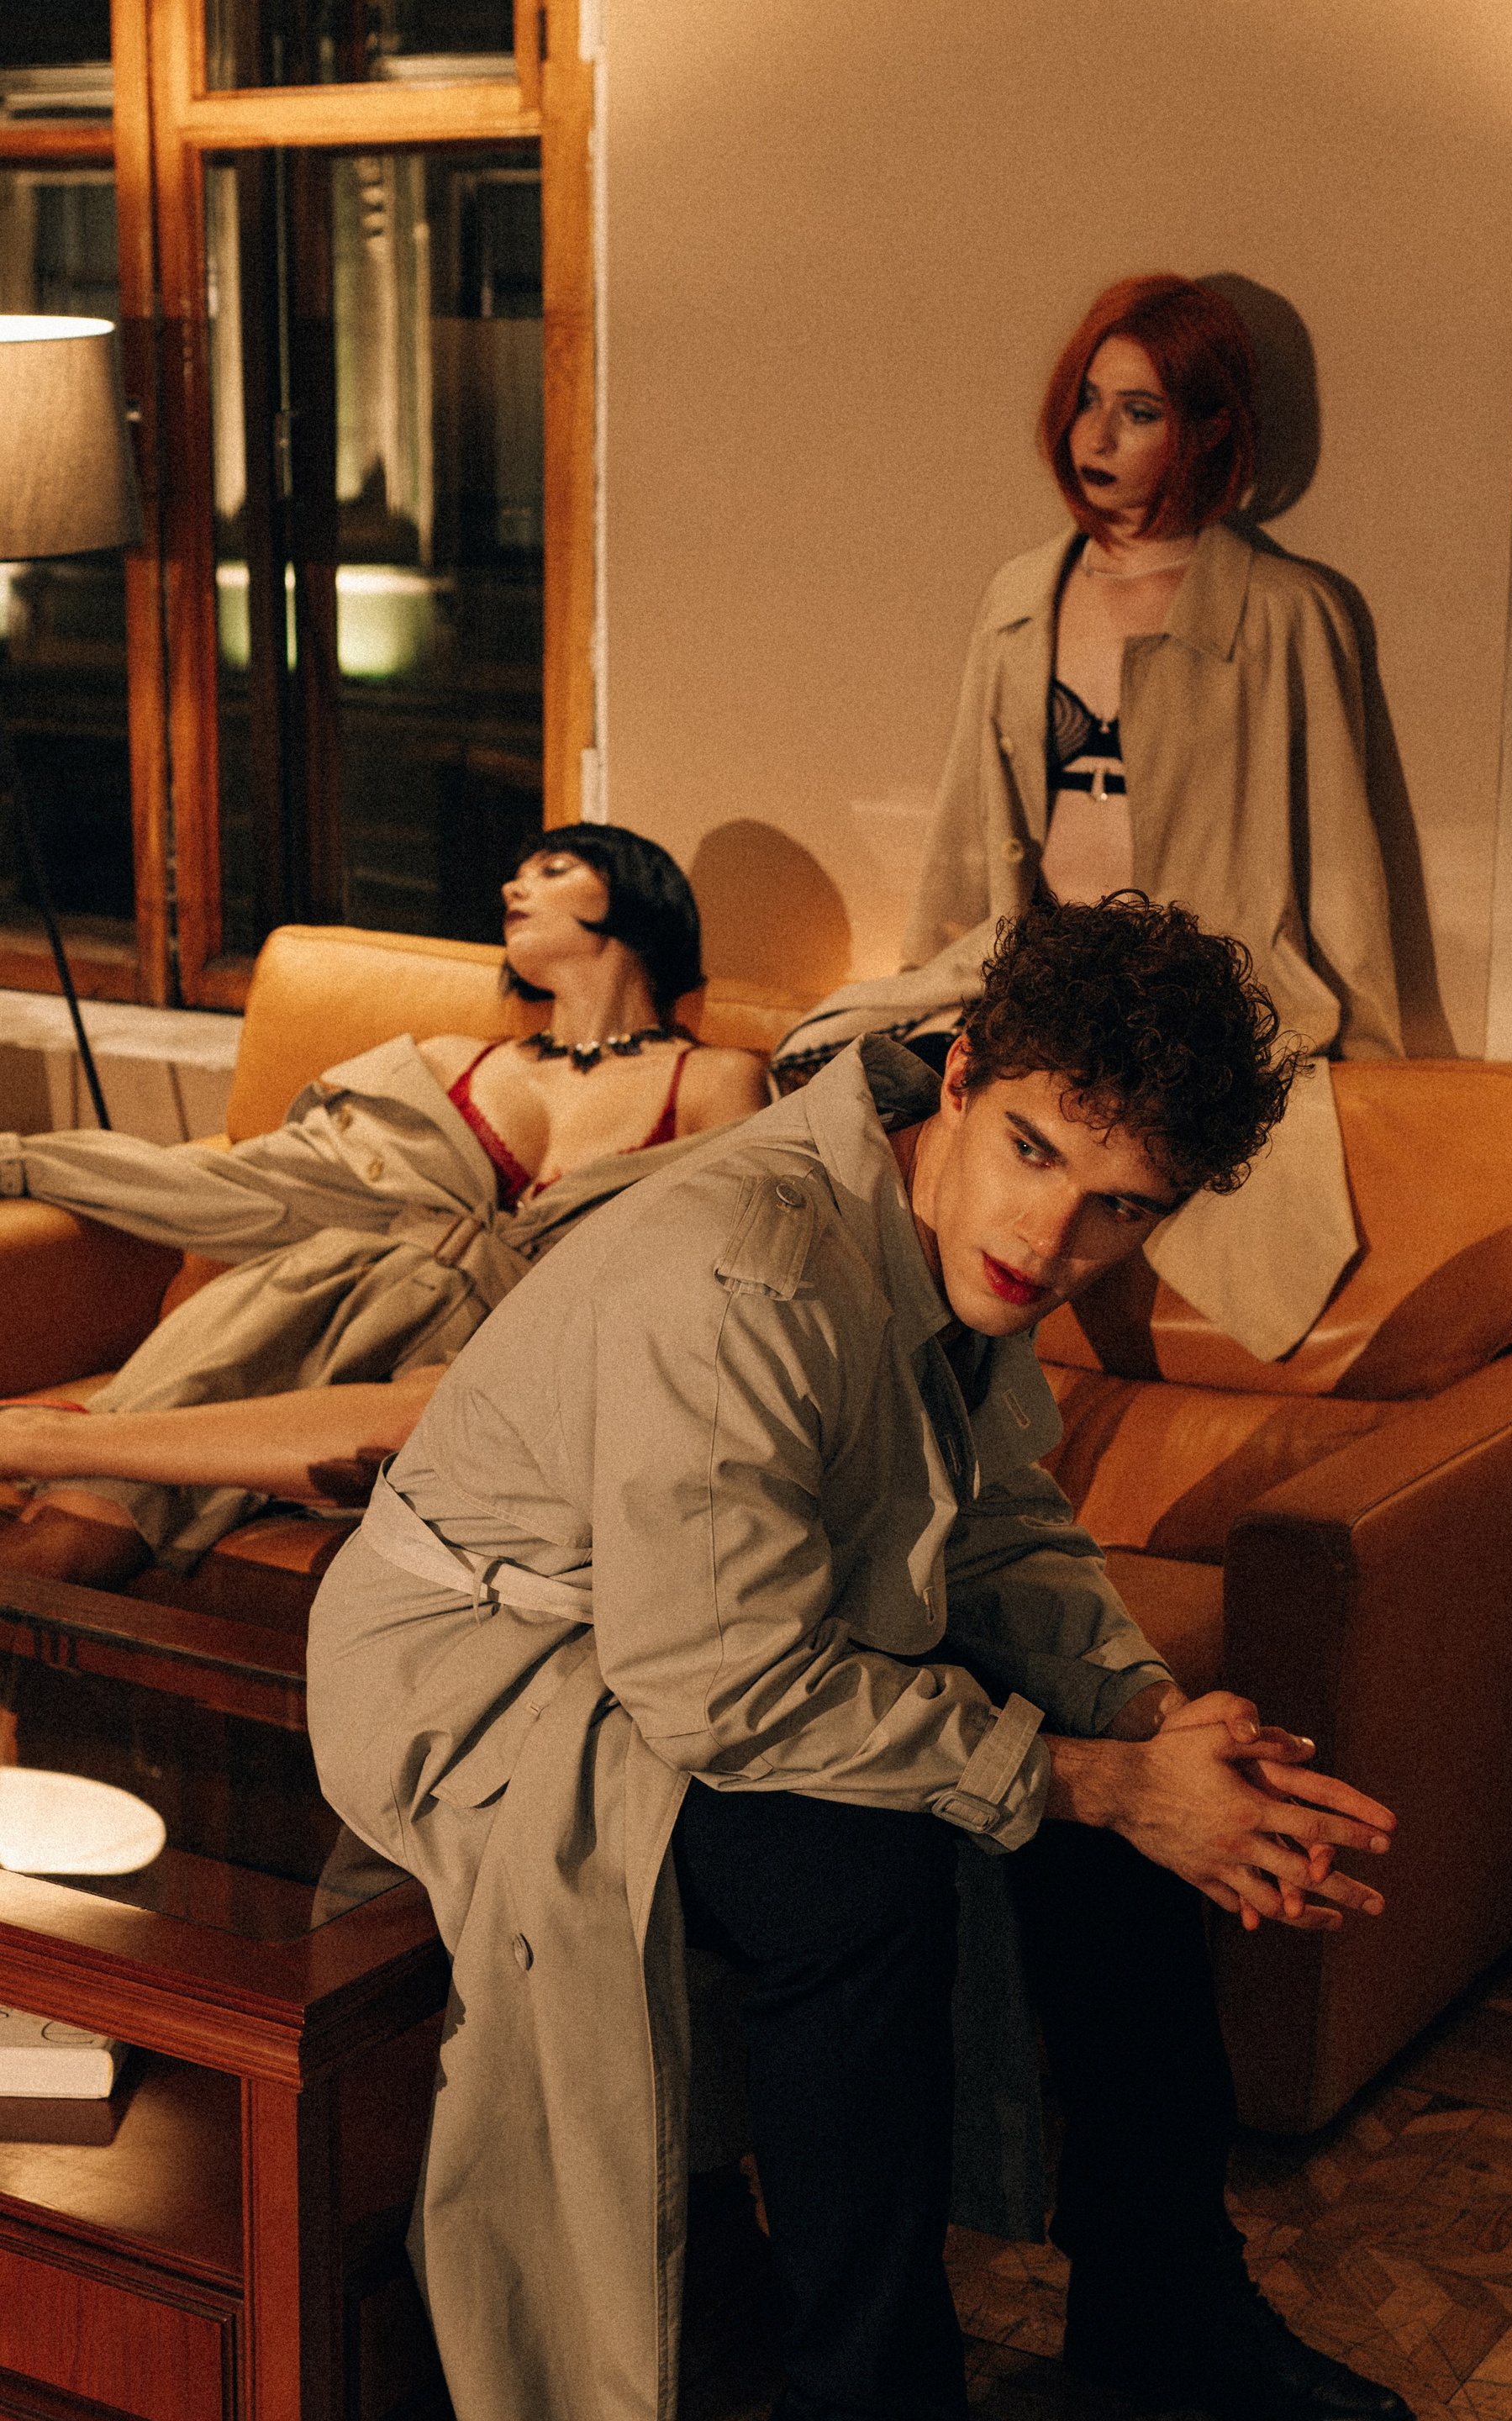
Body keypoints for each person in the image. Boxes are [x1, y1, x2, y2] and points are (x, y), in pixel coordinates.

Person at [306, 895, 1413, 2421]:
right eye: (1034, 1151)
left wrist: (1149, 1722)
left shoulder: (948, 1227)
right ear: (959, 1076)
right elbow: (723, 1691)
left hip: (720, 1628)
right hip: (501, 1668)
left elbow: (994, 1522)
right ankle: (873, 2394)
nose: (1051, 1238)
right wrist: (1094, 1783)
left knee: (1122, 1817)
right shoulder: (746, 1266)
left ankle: (1163, 2303)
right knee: (857, 1873)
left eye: (1120, 1206)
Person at [773, 272, 1404, 1359]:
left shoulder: (1287, 613)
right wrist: (932, 967)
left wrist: (1384, 1065)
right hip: (1033, 964)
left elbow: (1342, 860)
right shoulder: (1022, 596)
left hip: (1198, 989)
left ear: (1211, 427)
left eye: (1139, 411)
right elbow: (970, 822)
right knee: (820, 1076)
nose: (1096, 437)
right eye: (1087, 402)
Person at [0, 825, 767, 1588]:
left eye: (554, 870)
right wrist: (23, 1164)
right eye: (518, 873)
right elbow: (246, 1185)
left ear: (635, 897)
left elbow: (724, 1252)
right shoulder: (445, 1064)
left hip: (507, 1343)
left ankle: (49, 1439)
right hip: (307, 1306)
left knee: (429, 1425)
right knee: (65, 1547)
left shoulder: (716, 1078)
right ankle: (55, 1444)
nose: (513, 887)